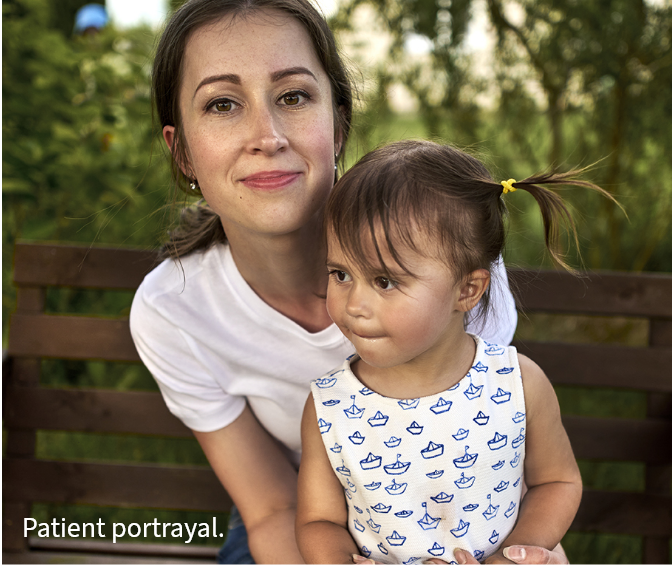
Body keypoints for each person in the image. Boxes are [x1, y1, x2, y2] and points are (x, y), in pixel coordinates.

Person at [130, 0, 567, 563]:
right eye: (222, 104)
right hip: (302, 521)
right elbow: (272, 509)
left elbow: (484, 457)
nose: (266, 135)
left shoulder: (443, 261)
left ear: (338, 124)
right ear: (182, 150)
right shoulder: (173, 313)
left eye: (292, 96)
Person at [296, 141, 614, 564]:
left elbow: (557, 482)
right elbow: (320, 522)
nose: (354, 304)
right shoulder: (330, 407)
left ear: (467, 289)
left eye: (384, 281)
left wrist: (513, 556)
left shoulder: (516, 384)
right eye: (340, 274)